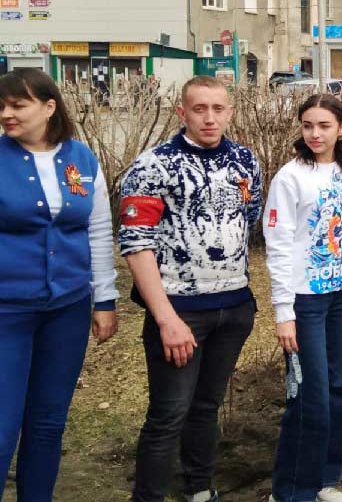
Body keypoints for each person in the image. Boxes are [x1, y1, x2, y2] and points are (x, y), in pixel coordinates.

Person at [119, 75, 262, 502]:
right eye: (199, 108)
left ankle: (199, 488)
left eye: (218, 109)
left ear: (230, 112)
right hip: (180, 311)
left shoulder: (244, 161)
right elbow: (135, 243)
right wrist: (166, 318)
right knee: (168, 413)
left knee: (207, 407)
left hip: (234, 305)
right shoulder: (154, 165)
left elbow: (247, 218)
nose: (209, 118)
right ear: (182, 111)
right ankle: (149, 496)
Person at [0, 69, 119, 501]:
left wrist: (104, 298)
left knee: (48, 423)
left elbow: (99, 229)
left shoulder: (81, 160)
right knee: (2, 425)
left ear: (49, 107)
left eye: (18, 105)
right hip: (7, 309)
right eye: (3, 106)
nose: (7, 114)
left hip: (66, 308)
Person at [264, 94, 342, 502]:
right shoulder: (290, 177)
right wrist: (283, 312)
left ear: (341, 128)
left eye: (324, 126)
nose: (315, 134)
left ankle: (325, 478)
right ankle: (290, 491)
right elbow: (279, 245)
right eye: (308, 125)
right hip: (304, 302)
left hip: (340, 296)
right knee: (310, 398)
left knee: (339, 389)